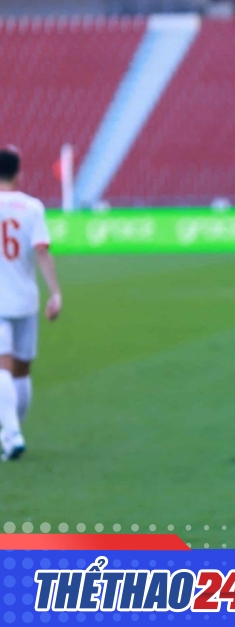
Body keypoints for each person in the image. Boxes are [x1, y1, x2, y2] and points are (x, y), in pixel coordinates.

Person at [0, 147, 63, 461]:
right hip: (26, 300)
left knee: (2, 367)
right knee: (22, 371)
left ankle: (11, 434)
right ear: (19, 174)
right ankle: (13, 431)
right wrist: (55, 293)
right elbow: (42, 251)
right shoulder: (32, 207)